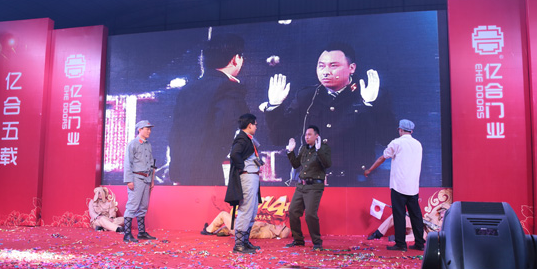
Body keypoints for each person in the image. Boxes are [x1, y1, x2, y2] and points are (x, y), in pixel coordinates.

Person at [261, 43, 392, 186]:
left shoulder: (369, 94)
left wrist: (369, 105)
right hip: (311, 182)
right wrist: (274, 106)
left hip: (354, 183)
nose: (325, 72)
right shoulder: (307, 96)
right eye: (321, 66)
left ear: (352, 68)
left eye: (333, 66)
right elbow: (279, 138)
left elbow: (388, 138)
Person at [168, 34, 249, 185]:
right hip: (210, 173)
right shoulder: (229, 88)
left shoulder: (187, 90)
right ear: (235, 59)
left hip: (183, 173)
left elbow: (175, 134)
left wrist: (176, 173)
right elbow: (225, 127)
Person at [364, 119, 425, 251]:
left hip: (399, 186)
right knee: (416, 216)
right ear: (411, 131)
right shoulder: (418, 144)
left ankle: (401, 244)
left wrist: (369, 170)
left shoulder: (396, 143)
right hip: (413, 186)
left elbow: (382, 158)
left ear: (400, 130)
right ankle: (420, 243)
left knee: (399, 215)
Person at [284, 125, 332, 250]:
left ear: (317, 136)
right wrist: (290, 152)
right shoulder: (303, 149)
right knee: (293, 211)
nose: (307, 137)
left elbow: (327, 164)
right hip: (301, 185)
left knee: (310, 214)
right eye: (306, 135)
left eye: (310, 134)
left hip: (314, 186)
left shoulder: (324, 148)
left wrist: (319, 150)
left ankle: (317, 242)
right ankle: (298, 240)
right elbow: (296, 165)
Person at [224, 113, 263, 254]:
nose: (256, 127)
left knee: (252, 210)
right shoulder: (241, 137)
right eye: (255, 125)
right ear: (250, 125)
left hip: (252, 177)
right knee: (246, 209)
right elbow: (234, 154)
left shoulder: (247, 138)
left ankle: (245, 241)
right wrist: (242, 168)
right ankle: (239, 244)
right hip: (247, 176)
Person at [123, 120, 157, 243]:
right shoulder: (133, 144)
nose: (149, 131)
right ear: (140, 130)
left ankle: (141, 232)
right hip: (136, 178)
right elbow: (128, 163)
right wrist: (129, 180)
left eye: (150, 129)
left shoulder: (148, 145)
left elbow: (151, 163)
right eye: (147, 129)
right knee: (132, 205)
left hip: (147, 178)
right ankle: (127, 234)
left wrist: (152, 180)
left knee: (143, 206)